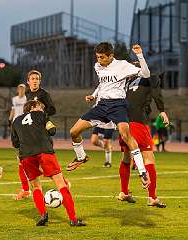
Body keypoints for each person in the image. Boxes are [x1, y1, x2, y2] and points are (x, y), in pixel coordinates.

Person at [67, 42, 151, 188]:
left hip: (118, 105)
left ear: (111, 56)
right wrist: (94, 95)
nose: (99, 60)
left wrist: (139, 55)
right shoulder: (98, 66)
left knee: (126, 135)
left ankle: (142, 171)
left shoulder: (123, 65)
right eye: (97, 57)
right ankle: (81, 157)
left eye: (102, 57)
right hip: (101, 106)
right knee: (74, 131)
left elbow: (146, 74)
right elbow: (102, 83)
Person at [11, 100, 86, 227]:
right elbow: (52, 131)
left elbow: (15, 144)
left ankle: (43, 215)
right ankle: (73, 219)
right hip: (44, 152)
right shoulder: (42, 115)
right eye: (40, 107)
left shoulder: (16, 121)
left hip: (26, 156)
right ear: (33, 107)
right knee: (61, 184)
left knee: (36, 186)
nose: (42, 109)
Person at [117, 73, 169, 207]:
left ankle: (124, 192)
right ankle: (152, 197)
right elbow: (156, 92)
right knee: (149, 158)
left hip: (123, 122)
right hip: (138, 122)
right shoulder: (152, 77)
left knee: (126, 157)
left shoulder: (128, 81)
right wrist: (162, 110)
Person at [13, 70, 56, 201]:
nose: (35, 80)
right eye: (32, 78)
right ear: (28, 81)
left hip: (40, 131)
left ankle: (63, 183)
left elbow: (53, 109)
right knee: (22, 162)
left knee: (46, 163)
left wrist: (40, 112)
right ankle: (25, 190)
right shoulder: (27, 94)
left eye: (37, 78)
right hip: (29, 130)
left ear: (39, 81)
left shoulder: (43, 94)